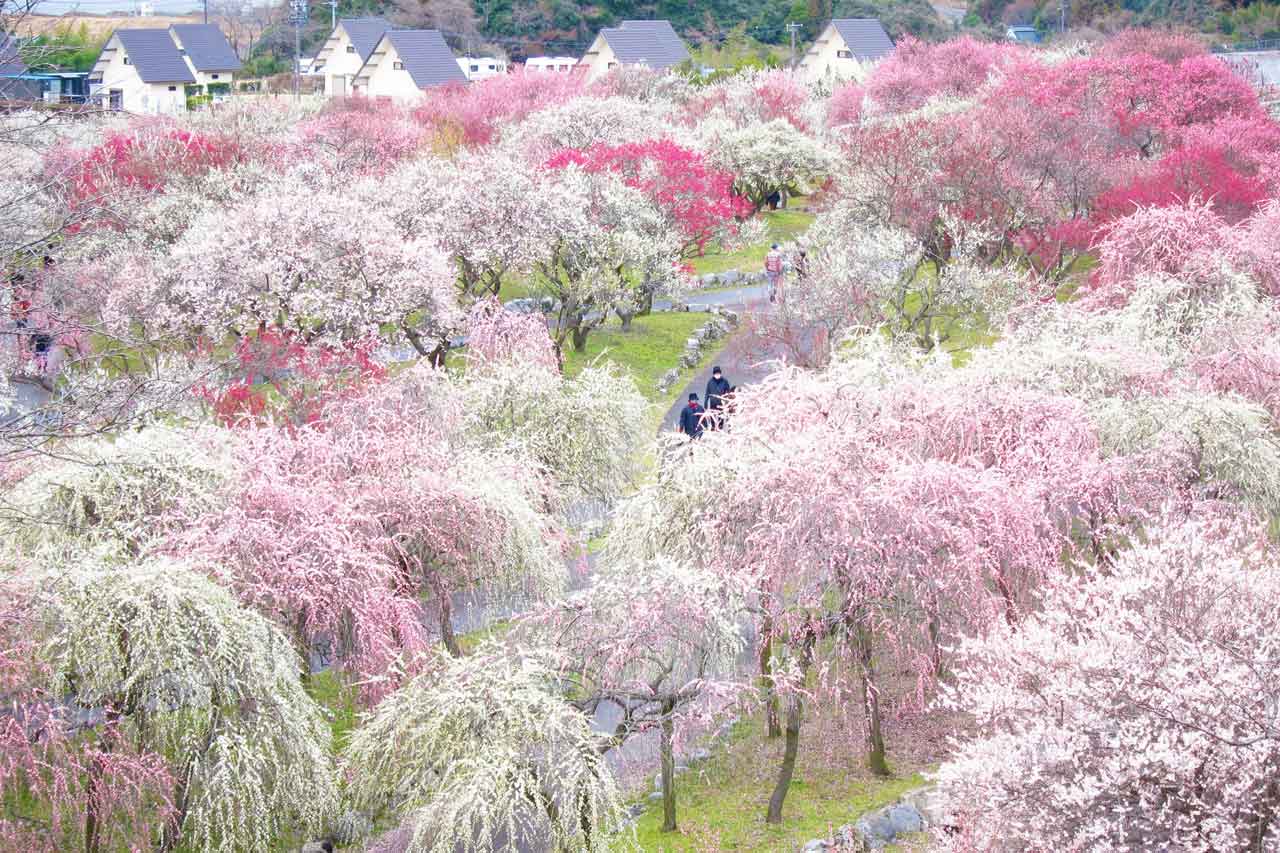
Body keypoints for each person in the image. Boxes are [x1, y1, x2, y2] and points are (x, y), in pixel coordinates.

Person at [704, 366, 732, 430]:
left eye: (718, 373)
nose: (717, 375)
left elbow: (728, 392)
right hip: (713, 403)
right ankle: (713, 427)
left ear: (720, 373)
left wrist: (728, 402)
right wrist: (705, 403)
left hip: (721, 403)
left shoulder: (725, 381)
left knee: (721, 417)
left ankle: (720, 427)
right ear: (713, 374)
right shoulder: (710, 382)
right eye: (716, 374)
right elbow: (707, 393)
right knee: (713, 417)